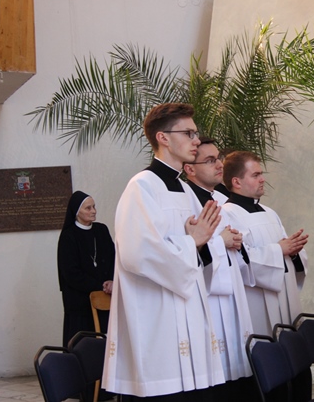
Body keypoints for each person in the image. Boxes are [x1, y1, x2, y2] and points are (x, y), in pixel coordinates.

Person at [102, 103, 225, 402]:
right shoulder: (142, 186)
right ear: (163, 138)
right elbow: (137, 253)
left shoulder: (185, 189)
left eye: (195, 133)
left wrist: (204, 242)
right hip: (157, 316)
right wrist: (192, 243)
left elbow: (200, 244)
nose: (196, 139)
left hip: (189, 310)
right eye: (189, 133)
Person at [182, 138, 255, 401]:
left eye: (219, 159)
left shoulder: (222, 200)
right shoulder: (187, 202)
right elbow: (187, 248)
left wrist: (236, 240)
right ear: (190, 169)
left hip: (233, 291)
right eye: (210, 160)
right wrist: (220, 242)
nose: (219, 165)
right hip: (210, 297)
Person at [221, 151, 309, 336]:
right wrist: (279, 250)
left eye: (261, 174)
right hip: (257, 299)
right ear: (237, 182)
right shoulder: (227, 214)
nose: (262, 179)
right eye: (255, 175)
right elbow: (240, 261)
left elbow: (285, 247)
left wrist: (293, 251)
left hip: (285, 292)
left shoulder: (270, 212)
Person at [57, 190, 115, 346]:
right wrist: (100, 285)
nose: (93, 211)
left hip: (105, 298)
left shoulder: (101, 230)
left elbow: (113, 259)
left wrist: (111, 280)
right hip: (80, 303)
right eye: (88, 208)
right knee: (83, 347)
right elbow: (70, 273)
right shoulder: (69, 236)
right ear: (77, 212)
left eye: (94, 207)